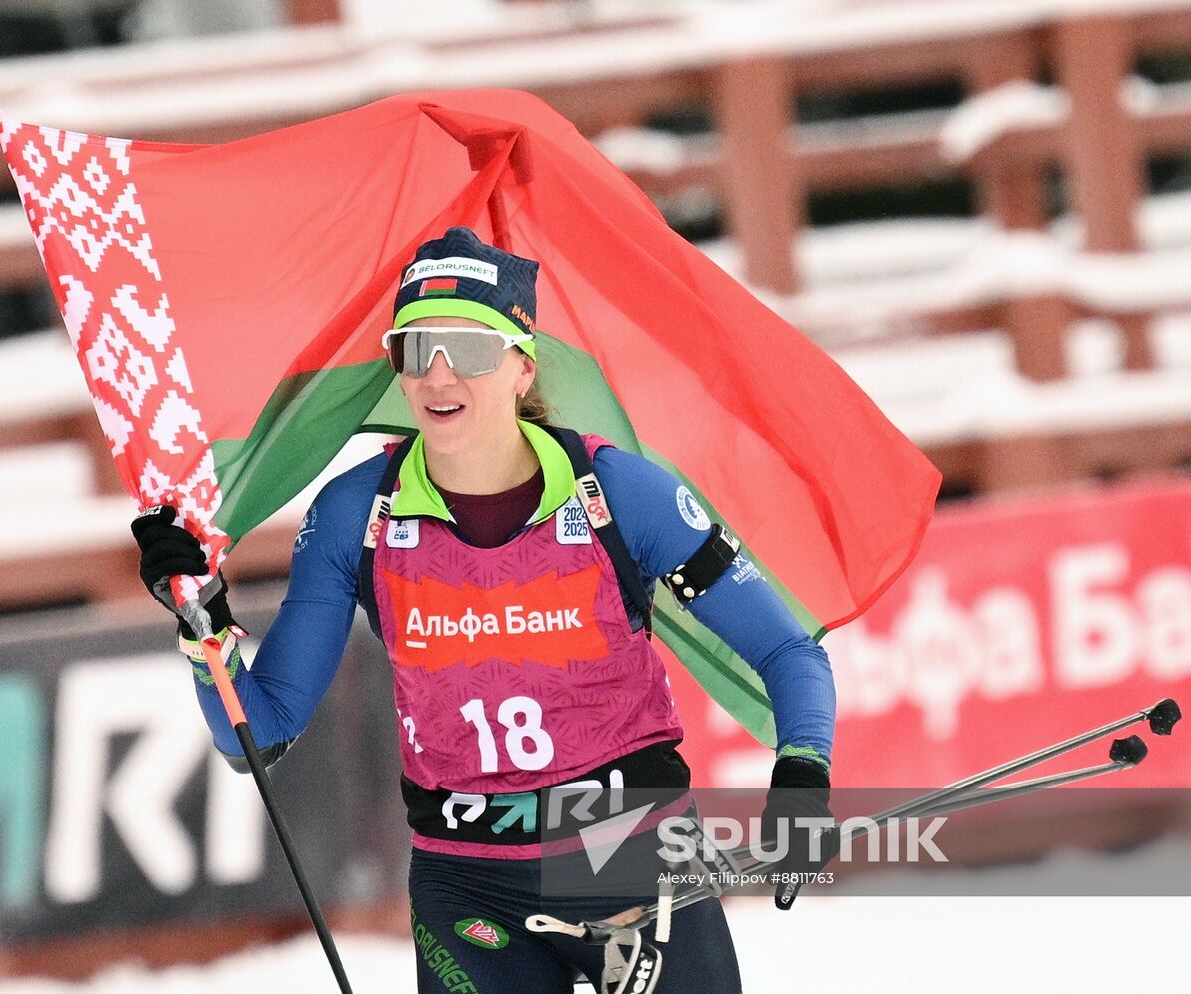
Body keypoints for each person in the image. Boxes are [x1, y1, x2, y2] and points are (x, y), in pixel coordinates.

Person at [132, 227, 837, 994]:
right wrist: (202, 621)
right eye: (415, 347)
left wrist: (803, 775)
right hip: (465, 882)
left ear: (522, 364)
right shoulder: (355, 514)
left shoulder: (619, 494)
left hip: (626, 851)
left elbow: (789, 654)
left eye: (468, 348)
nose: (438, 374)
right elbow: (258, 736)